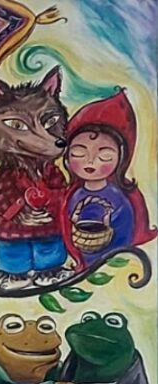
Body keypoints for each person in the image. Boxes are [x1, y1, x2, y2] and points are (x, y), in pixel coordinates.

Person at [63, 90, 155, 269]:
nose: (90, 161)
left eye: (104, 156)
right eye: (79, 153)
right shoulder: (71, 195)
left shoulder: (119, 198)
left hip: (109, 263)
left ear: (120, 159)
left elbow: (124, 236)